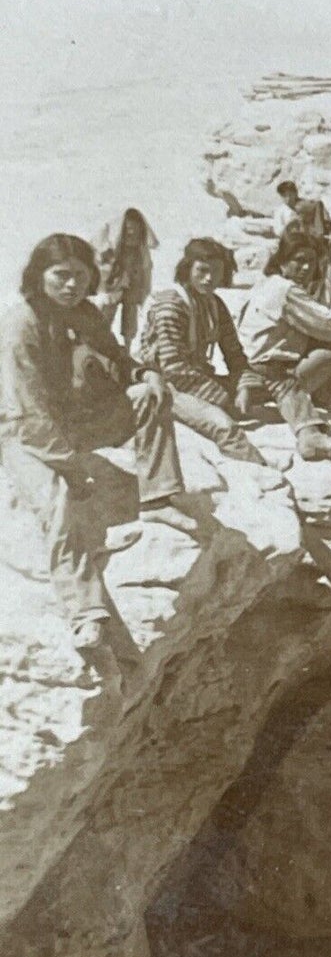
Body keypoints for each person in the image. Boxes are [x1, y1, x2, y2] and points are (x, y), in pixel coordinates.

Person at [0, 234, 192, 658]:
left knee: (148, 395)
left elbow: (118, 356)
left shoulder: (84, 313)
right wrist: (71, 467)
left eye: (79, 276)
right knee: (59, 501)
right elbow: (27, 412)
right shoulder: (20, 324)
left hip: (75, 422)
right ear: (38, 276)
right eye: (60, 275)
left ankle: (159, 496)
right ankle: (85, 612)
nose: (70, 285)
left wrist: (143, 372)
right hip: (21, 431)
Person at [236, 232, 331, 448]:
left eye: (310, 261)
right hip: (273, 376)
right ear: (283, 261)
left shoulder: (266, 283)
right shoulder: (286, 290)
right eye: (299, 261)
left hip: (254, 371)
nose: (306, 268)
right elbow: (325, 324)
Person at [136, 238, 271, 466]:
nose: (209, 278)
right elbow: (173, 369)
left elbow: (234, 354)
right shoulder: (171, 305)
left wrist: (244, 386)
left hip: (199, 378)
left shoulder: (214, 303)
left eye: (217, 272)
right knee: (225, 427)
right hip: (167, 385)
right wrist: (225, 399)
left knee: (275, 385)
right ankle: (262, 474)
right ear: (187, 268)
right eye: (202, 270)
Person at [94, 207, 158, 345]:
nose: (132, 231)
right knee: (106, 314)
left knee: (130, 316)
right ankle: (100, 342)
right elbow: (100, 259)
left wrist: (143, 287)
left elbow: (145, 268)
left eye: (135, 228)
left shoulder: (141, 249)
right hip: (115, 283)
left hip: (133, 284)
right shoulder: (113, 245)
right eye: (129, 228)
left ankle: (127, 347)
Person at [274, 180, 331, 302]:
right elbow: (278, 231)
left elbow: (318, 224)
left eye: (290, 194)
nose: (288, 199)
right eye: (285, 196)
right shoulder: (280, 211)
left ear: (295, 193)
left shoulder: (307, 207)